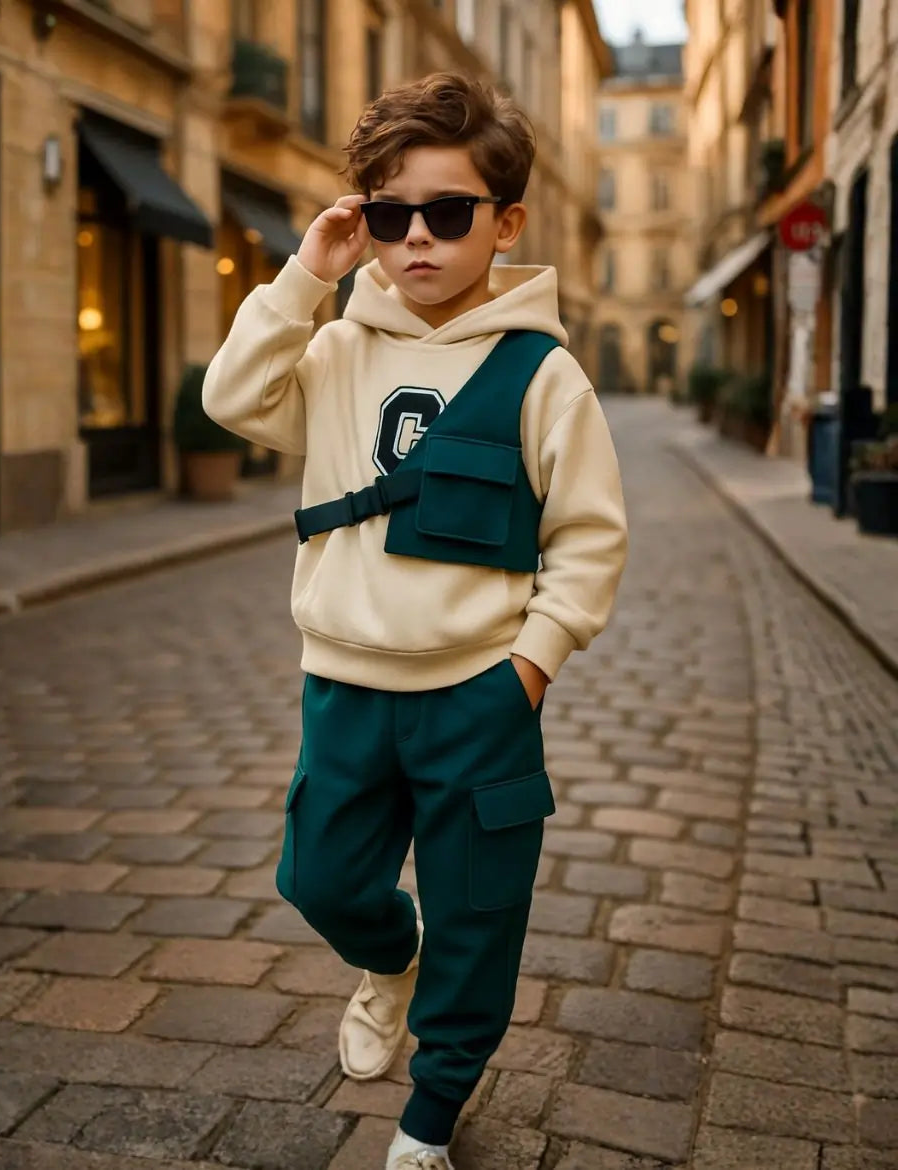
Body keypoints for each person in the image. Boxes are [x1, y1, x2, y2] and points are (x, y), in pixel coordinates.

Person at [203, 70, 628, 1170]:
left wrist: (527, 670)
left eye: (449, 212)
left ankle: (430, 1118)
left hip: (478, 700)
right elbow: (232, 400)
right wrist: (308, 271)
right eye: (393, 216)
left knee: (481, 919)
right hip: (345, 688)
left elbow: (589, 541)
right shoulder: (338, 349)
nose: (419, 240)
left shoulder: (546, 377)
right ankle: (389, 961)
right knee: (321, 882)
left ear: (507, 222)